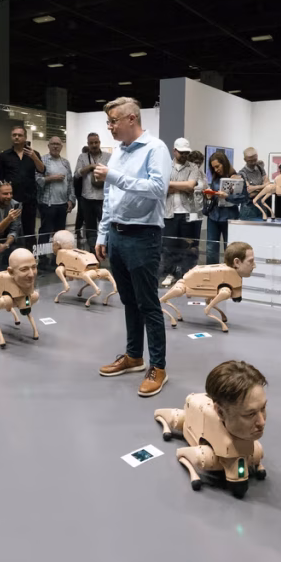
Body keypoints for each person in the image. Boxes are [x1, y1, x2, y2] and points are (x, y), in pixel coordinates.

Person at [94, 96, 171, 397]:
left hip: (143, 235)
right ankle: (134, 356)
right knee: (128, 300)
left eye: (113, 121)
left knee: (148, 303)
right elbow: (110, 197)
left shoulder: (156, 149)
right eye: (108, 122)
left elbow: (158, 189)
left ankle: (158, 366)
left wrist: (113, 175)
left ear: (131, 119)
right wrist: (103, 234)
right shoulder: (118, 152)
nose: (110, 127)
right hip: (117, 235)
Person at [161, 138, 205, 286]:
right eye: (181, 152)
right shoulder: (166, 166)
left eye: (186, 152)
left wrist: (171, 185)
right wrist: (182, 186)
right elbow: (162, 187)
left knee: (188, 245)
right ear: (174, 151)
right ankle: (170, 273)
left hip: (188, 212)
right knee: (169, 246)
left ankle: (187, 274)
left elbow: (190, 186)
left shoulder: (193, 168)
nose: (184, 155)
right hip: (169, 212)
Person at [0, 125, 45, 238]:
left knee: (29, 231)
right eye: (14, 135)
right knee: (10, 229)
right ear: (11, 137)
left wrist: (34, 157)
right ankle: (9, 248)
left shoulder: (34, 153)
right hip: (10, 199)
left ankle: (29, 249)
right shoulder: (4, 155)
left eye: (19, 135)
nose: (17, 137)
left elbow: (42, 170)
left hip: (29, 199)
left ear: (25, 137)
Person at [204, 151, 247, 266]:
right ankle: (211, 272)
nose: (216, 170)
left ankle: (229, 273)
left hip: (230, 217)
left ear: (224, 163)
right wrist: (210, 195)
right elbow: (213, 196)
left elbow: (243, 198)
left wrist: (227, 196)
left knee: (230, 249)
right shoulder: (215, 178)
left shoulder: (237, 177)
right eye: (213, 168)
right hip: (213, 216)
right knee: (211, 249)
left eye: (217, 166)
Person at [37, 135, 74, 253]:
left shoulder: (65, 163)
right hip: (47, 204)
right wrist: (52, 178)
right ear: (48, 146)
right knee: (45, 232)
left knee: (60, 234)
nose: (55, 146)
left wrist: (70, 200)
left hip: (62, 204)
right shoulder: (42, 160)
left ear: (61, 147)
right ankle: (42, 257)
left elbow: (70, 182)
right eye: (53, 144)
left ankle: (58, 256)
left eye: (58, 144)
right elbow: (37, 179)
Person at [73, 133, 109, 252]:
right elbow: (76, 174)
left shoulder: (108, 157)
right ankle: (93, 250)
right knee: (90, 227)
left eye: (96, 142)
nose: (94, 145)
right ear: (88, 144)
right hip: (87, 198)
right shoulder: (82, 157)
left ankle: (106, 249)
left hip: (103, 198)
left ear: (99, 142)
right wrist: (89, 167)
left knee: (106, 226)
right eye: (91, 143)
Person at [237, 147, 268, 220]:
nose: (253, 163)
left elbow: (268, 184)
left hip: (262, 208)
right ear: (245, 160)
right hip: (248, 210)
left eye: (255, 160)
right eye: (250, 161)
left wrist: (255, 188)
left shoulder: (260, 168)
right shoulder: (242, 173)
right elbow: (250, 192)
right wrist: (264, 187)